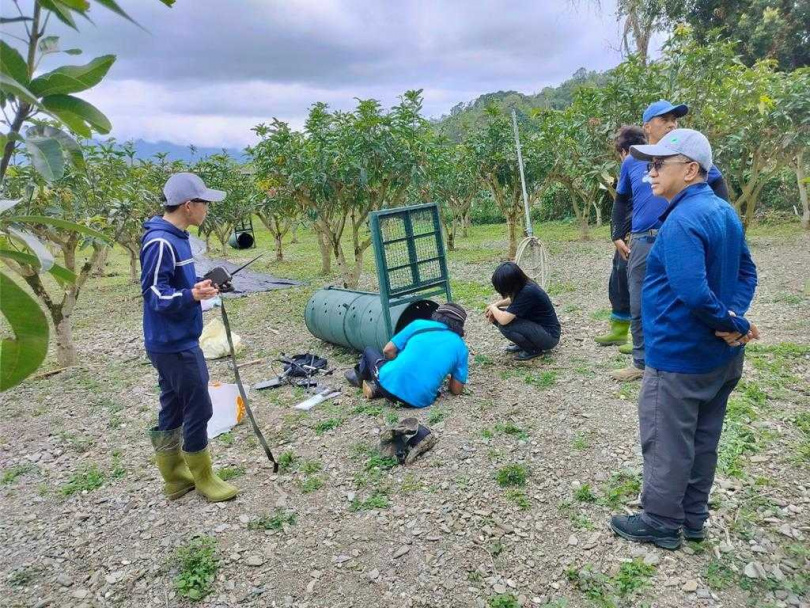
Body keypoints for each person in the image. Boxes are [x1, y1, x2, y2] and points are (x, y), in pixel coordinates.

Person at [609, 129, 758, 550]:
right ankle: (693, 518)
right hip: (719, 358)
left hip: (678, 357)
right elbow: (747, 272)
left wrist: (730, 321)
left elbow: (692, 292)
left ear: (691, 170)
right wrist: (733, 319)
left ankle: (659, 520)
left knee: (667, 440)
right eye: (649, 164)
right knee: (704, 439)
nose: (649, 172)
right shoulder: (724, 212)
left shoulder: (681, 222)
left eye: (659, 164)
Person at [611, 100, 730, 381]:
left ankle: (683, 358)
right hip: (643, 240)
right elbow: (621, 199)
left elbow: (718, 185)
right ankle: (641, 362)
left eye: (674, 120)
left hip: (680, 238)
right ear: (648, 126)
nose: (672, 123)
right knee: (639, 302)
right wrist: (616, 233)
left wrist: (721, 224)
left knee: (686, 296)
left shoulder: (688, 156)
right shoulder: (632, 161)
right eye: (665, 119)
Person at [141, 172, 239, 503]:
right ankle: (203, 476)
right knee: (199, 406)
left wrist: (199, 285)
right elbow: (155, 295)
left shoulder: (177, 236)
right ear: (188, 205)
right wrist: (191, 297)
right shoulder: (160, 242)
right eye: (205, 203)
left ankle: (174, 479)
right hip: (174, 343)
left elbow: (175, 283)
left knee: (172, 403)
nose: (207, 209)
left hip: (174, 339)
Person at [344, 303, 469, 408]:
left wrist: (398, 365)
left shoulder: (419, 325)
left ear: (436, 315)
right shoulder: (461, 348)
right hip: (420, 401)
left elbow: (388, 350)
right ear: (460, 327)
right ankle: (377, 390)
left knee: (369, 351)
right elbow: (456, 390)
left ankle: (362, 380)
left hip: (388, 386)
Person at [594, 126, 647, 348]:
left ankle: (639, 337)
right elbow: (621, 203)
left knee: (638, 283)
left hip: (641, 234)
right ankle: (619, 330)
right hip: (627, 235)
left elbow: (628, 204)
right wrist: (617, 234)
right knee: (619, 277)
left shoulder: (641, 164)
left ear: (623, 151)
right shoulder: (632, 168)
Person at [485, 262, 560, 361]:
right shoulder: (524, 285)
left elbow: (503, 320)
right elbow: (514, 300)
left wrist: (493, 308)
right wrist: (496, 305)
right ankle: (524, 344)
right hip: (539, 328)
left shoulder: (528, 291)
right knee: (497, 315)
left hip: (549, 337)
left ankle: (533, 350)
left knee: (505, 325)